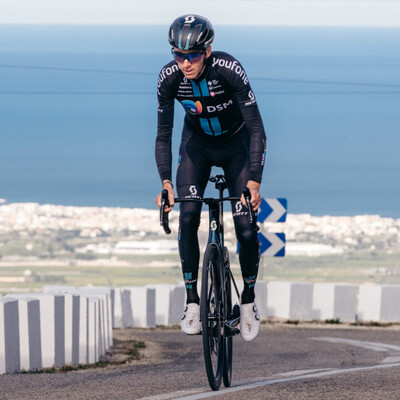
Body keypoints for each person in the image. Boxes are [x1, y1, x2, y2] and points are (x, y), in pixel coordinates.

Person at [155, 14, 266, 342]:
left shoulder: (229, 70)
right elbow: (164, 134)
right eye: (178, 55)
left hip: (237, 146)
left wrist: (254, 182)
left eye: (192, 55)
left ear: (208, 51)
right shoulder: (169, 78)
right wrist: (165, 183)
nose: (185, 63)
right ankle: (192, 302)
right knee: (187, 217)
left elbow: (258, 128)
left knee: (246, 228)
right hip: (197, 147)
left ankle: (247, 301)